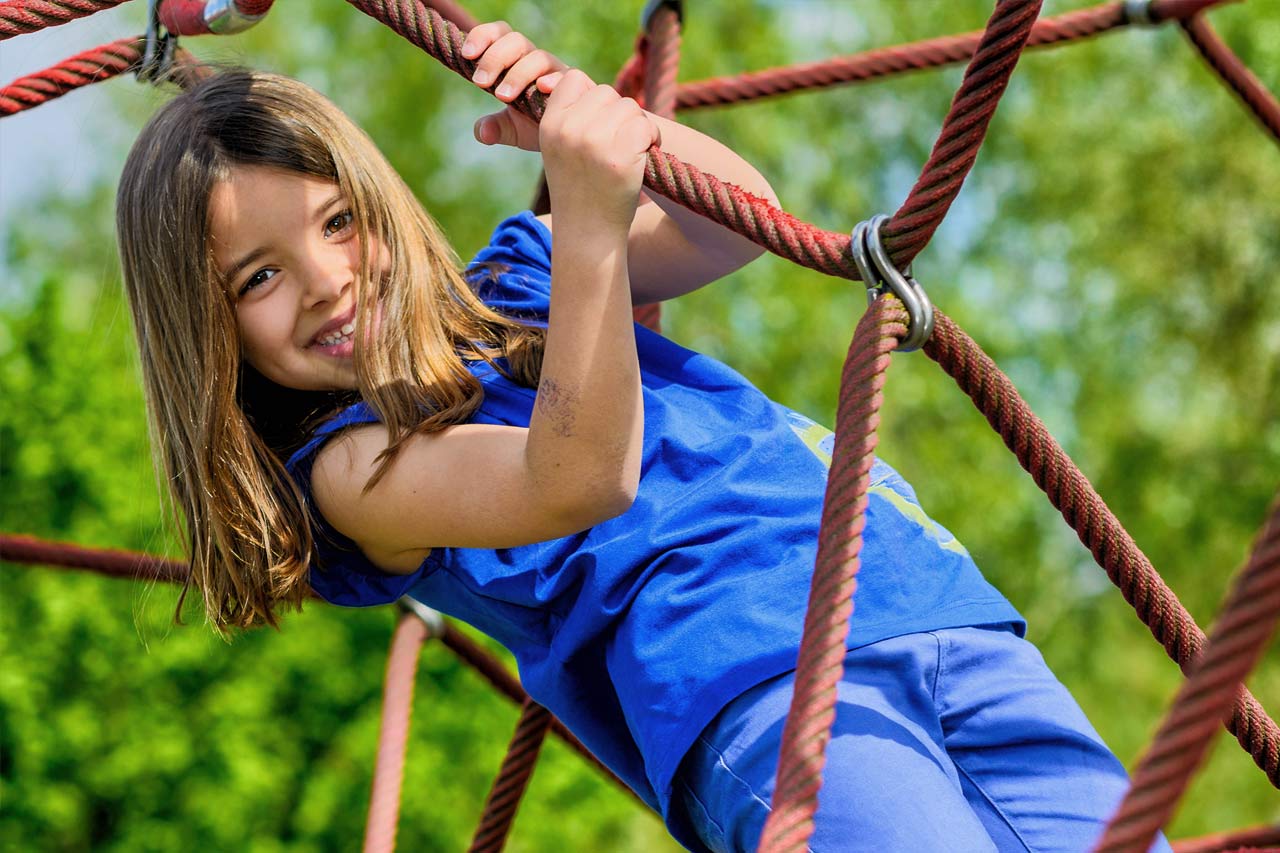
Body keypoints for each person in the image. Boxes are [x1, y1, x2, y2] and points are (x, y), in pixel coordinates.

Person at [115, 22, 1166, 853]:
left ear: (378, 203)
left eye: (337, 222)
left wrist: (604, 128)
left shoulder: (519, 282)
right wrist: (589, 220)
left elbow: (734, 216)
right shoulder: (348, 467)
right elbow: (574, 476)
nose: (325, 280)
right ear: (208, 335)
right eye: (256, 277)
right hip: (755, 687)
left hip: (934, 610)